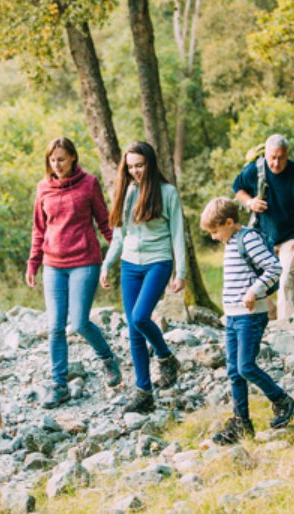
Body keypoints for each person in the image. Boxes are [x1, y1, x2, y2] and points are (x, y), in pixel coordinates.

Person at [27, 137, 122, 409]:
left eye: (60, 159)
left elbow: (104, 222)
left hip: (84, 261)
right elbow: (39, 229)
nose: (56, 164)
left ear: (72, 158)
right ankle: (59, 385)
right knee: (55, 326)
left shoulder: (89, 183)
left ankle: (107, 358)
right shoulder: (43, 188)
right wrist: (33, 262)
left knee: (78, 323)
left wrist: (117, 251)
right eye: (51, 160)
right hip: (53, 264)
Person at [200, 197, 294, 444]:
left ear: (230, 222)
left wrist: (254, 291)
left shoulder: (248, 239)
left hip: (250, 316)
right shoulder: (231, 240)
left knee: (245, 366)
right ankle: (241, 423)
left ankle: (282, 401)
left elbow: (274, 268)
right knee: (234, 371)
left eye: (215, 231)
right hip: (233, 316)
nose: (213, 237)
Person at [101, 141, 185, 414]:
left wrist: (180, 271)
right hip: (129, 264)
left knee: (139, 317)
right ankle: (144, 392)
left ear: (150, 164)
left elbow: (178, 233)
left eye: (140, 165)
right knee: (133, 329)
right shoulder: (125, 192)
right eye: (131, 166)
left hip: (157, 262)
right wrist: (106, 264)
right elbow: (118, 235)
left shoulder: (167, 192)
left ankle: (166, 356)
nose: (135, 171)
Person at [233, 134, 294, 320]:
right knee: (260, 281)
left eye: (281, 158)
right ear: (266, 155)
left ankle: (287, 325)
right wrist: (250, 202)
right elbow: (237, 187)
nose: (276, 163)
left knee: (286, 279)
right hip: (263, 236)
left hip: (291, 236)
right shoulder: (256, 169)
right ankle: (267, 319)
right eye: (273, 157)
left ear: (288, 155)